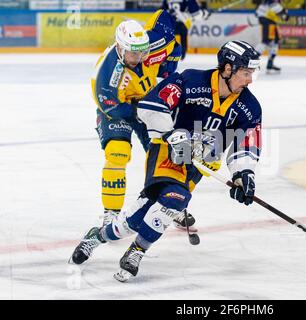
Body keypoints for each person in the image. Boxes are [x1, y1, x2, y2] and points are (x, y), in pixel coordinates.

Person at [70, 40, 263, 282]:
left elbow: (245, 142)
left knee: (139, 217)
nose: (250, 80)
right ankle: (133, 249)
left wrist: (243, 174)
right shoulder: (191, 81)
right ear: (227, 69)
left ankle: (103, 238)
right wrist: (172, 133)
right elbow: (151, 105)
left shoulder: (250, 107)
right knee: (174, 199)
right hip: (168, 151)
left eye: (251, 73)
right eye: (245, 73)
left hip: (199, 164)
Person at [92, 10, 191, 227]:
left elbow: (169, 34)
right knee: (117, 152)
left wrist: (167, 71)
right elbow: (111, 106)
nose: (139, 58)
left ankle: (170, 205)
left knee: (165, 155)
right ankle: (111, 212)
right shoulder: (107, 74)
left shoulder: (149, 47)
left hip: (146, 104)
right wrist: (140, 110)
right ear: (119, 48)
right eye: (132, 53)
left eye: (142, 52)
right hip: (119, 109)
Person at [254, 0, 289, 73]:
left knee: (275, 41)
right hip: (267, 21)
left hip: (270, 22)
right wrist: (284, 12)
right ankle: (251, 60)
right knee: (266, 41)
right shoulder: (273, 2)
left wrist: (284, 14)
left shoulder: (273, 3)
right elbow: (279, 12)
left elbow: (257, 13)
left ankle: (270, 64)